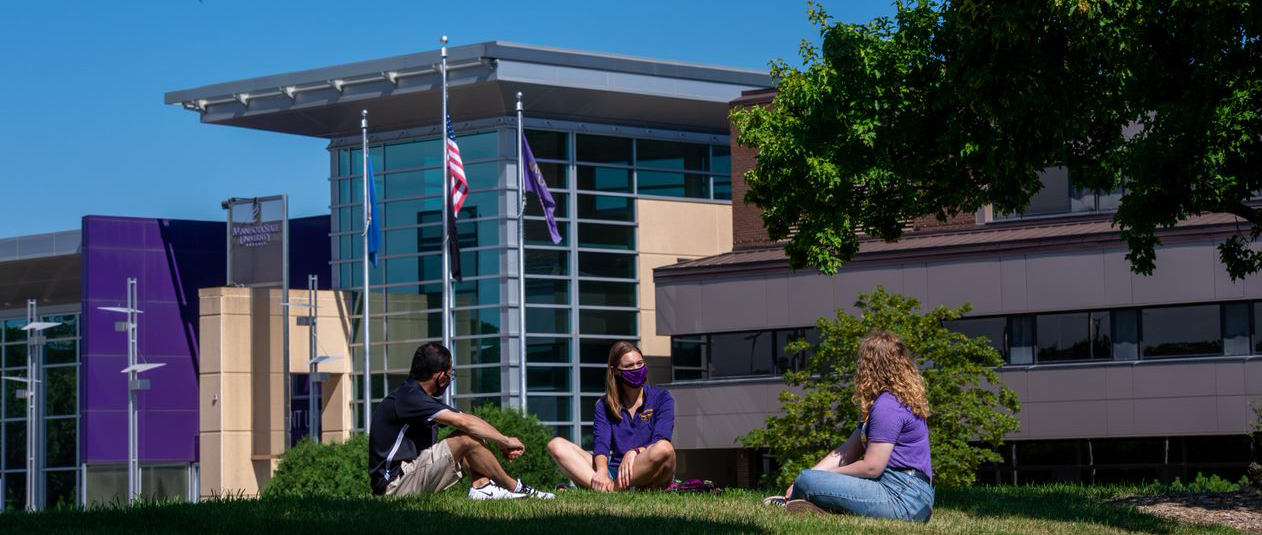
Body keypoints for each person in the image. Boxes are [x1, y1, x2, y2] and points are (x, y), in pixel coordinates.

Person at [764, 331, 934, 522]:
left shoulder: (888, 405)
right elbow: (846, 452)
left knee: (807, 480)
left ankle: (796, 502)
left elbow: (872, 467)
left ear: (872, 366)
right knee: (807, 478)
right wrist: (814, 476)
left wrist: (816, 479)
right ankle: (808, 503)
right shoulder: (888, 402)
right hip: (911, 496)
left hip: (903, 497)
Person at [369, 342, 554, 499]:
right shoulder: (409, 398)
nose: (450, 380)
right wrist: (505, 441)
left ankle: (482, 487)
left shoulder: (418, 398)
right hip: (393, 486)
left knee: (469, 434)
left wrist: (500, 440)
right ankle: (516, 488)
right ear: (441, 376)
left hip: (407, 476)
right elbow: (465, 423)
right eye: (451, 375)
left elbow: (467, 419)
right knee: (466, 438)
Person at [546, 341, 676, 491]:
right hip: (616, 471)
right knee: (556, 445)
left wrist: (635, 451)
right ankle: (609, 487)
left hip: (650, 469)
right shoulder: (603, 405)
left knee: (664, 448)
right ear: (615, 371)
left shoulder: (662, 397)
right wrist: (602, 471)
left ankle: (608, 490)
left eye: (639, 363)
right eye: (629, 366)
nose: (636, 369)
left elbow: (662, 437)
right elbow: (602, 443)